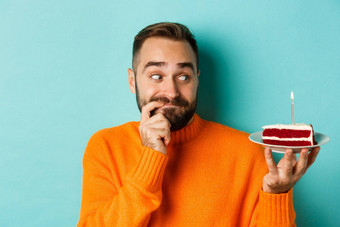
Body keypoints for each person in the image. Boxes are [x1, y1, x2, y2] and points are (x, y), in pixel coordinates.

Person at [77, 22, 320, 226]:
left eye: (183, 77)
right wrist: (150, 161)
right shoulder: (106, 147)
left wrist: (276, 195)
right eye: (156, 76)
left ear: (197, 80)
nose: (171, 92)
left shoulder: (248, 152)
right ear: (132, 81)